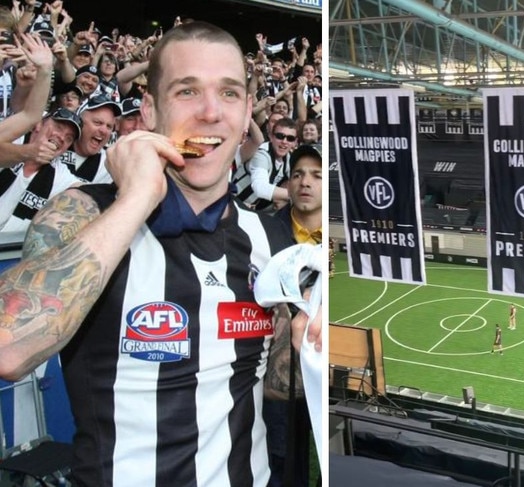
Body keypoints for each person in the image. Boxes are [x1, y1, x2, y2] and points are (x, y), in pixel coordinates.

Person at [0, 22, 321, 487]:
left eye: (229, 94)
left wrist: (307, 344)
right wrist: (136, 199)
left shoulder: (270, 239)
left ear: (248, 110)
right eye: (188, 91)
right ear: (150, 109)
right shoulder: (84, 213)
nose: (212, 112)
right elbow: (8, 348)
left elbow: (266, 378)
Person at [264, 144, 322, 487]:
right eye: (298, 174)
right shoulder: (263, 233)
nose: (305, 182)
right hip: (277, 383)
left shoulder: (330, 241)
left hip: (319, 372)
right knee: (281, 464)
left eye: (316, 175)